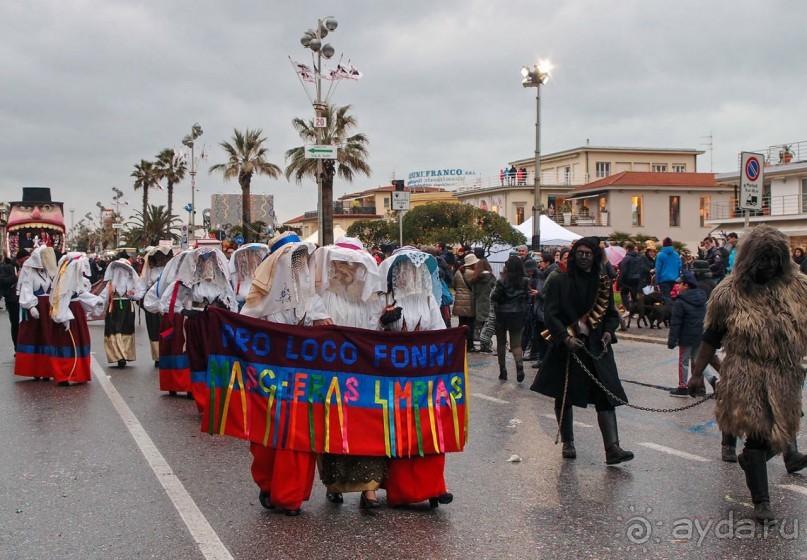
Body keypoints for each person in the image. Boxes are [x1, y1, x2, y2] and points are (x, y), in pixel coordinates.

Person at [688, 225, 807, 524]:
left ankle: (750, 462)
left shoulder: (799, 288)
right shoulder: (728, 293)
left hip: (785, 373)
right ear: (749, 260)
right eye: (762, 259)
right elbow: (711, 337)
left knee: (778, 436)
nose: (768, 265)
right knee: (756, 437)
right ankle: (762, 502)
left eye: (774, 259)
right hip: (746, 373)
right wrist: (696, 374)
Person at [241, 232, 330, 516]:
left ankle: (290, 495)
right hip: (271, 378)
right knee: (270, 436)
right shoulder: (259, 299)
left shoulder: (312, 299)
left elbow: (326, 325)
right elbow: (244, 330)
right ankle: (269, 485)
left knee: (302, 435)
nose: (300, 266)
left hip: (304, 377)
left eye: (303, 260)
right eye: (294, 260)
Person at [531, 237, 634, 465]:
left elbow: (609, 314)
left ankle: (612, 448)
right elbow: (551, 314)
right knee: (564, 394)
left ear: (595, 257)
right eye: (580, 253)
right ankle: (568, 442)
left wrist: (608, 331)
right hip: (568, 346)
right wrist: (565, 338)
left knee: (605, 396)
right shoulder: (559, 281)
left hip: (597, 347)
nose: (584, 257)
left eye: (589, 253)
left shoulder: (602, 282)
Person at [309, 237, 386, 510]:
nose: (347, 268)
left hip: (363, 374)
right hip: (330, 374)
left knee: (368, 427)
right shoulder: (321, 297)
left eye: (352, 265)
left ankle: (370, 490)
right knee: (333, 428)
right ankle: (335, 484)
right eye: (342, 263)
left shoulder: (368, 296)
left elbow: (375, 330)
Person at [378, 247, 453, 509]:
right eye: (405, 270)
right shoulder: (386, 297)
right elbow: (369, 335)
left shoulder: (429, 299)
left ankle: (435, 487)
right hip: (392, 377)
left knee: (428, 431)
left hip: (423, 376)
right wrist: (384, 321)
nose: (411, 274)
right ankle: (401, 489)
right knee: (398, 433)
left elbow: (439, 332)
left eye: (416, 269)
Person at [43, 252, 104, 385]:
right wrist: (63, 317)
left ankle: (78, 373)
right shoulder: (65, 282)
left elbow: (80, 294)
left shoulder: (75, 280)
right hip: (68, 314)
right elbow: (63, 299)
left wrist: (95, 301)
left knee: (77, 342)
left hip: (75, 313)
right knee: (67, 343)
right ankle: (64, 374)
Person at [667, 270, 715, 397]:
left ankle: (682, 387)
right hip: (699, 334)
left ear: (686, 285)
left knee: (683, 361)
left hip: (685, 336)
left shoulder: (680, 301)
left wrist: (672, 340)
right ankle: (714, 381)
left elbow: (676, 323)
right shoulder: (701, 297)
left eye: (680, 284)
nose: (678, 286)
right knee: (698, 360)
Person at [490, 255, 529, 382]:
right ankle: (519, 366)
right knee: (516, 343)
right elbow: (526, 297)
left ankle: (503, 370)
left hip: (502, 314)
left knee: (501, 343)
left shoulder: (502, 281)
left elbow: (495, 296)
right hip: (518, 314)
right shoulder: (525, 281)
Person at [135, 246, 173, 367]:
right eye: (159, 256)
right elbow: (142, 284)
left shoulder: (171, 269)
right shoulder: (150, 270)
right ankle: (158, 356)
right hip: (152, 303)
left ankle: (169, 354)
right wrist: (135, 296)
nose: (162, 258)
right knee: (154, 329)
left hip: (167, 303)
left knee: (168, 327)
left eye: (164, 256)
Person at [101, 259, 139, 368]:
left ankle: (124, 355)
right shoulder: (111, 284)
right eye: (118, 269)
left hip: (127, 308)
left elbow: (137, 295)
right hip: (114, 308)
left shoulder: (132, 282)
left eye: (124, 269)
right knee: (114, 330)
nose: (121, 272)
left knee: (126, 330)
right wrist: (97, 303)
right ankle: (118, 356)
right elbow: (104, 297)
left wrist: (132, 294)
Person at [0, 250, 29, 351]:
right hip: (13, 300)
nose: (27, 260)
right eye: (25, 258)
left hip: (25, 299)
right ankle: (17, 347)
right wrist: (16, 277)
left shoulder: (29, 268)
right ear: (20, 258)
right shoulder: (8, 268)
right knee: (15, 324)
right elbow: (3, 282)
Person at [452, 253, 479, 352]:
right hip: (470, 303)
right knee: (470, 325)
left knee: (461, 323)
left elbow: (454, 285)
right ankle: (470, 346)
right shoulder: (474, 274)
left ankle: (459, 343)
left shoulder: (458, 272)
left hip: (459, 302)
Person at [471, 258, 495, 353]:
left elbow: (474, 294)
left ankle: (481, 343)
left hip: (478, 303)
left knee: (479, 325)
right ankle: (486, 343)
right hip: (489, 303)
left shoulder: (475, 278)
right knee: (488, 325)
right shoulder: (491, 277)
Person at [655, 237, 681, 304]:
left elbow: (658, 269)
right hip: (675, 280)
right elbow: (680, 266)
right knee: (675, 297)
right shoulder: (676, 254)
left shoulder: (660, 255)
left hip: (664, 280)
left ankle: (668, 312)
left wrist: (657, 281)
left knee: (666, 298)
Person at [618, 242, 642, 311]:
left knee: (624, 293)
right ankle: (636, 310)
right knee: (634, 295)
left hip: (627, 279)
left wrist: (620, 281)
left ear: (627, 249)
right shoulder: (638, 258)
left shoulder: (626, 258)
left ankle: (627, 309)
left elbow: (624, 271)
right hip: (637, 278)